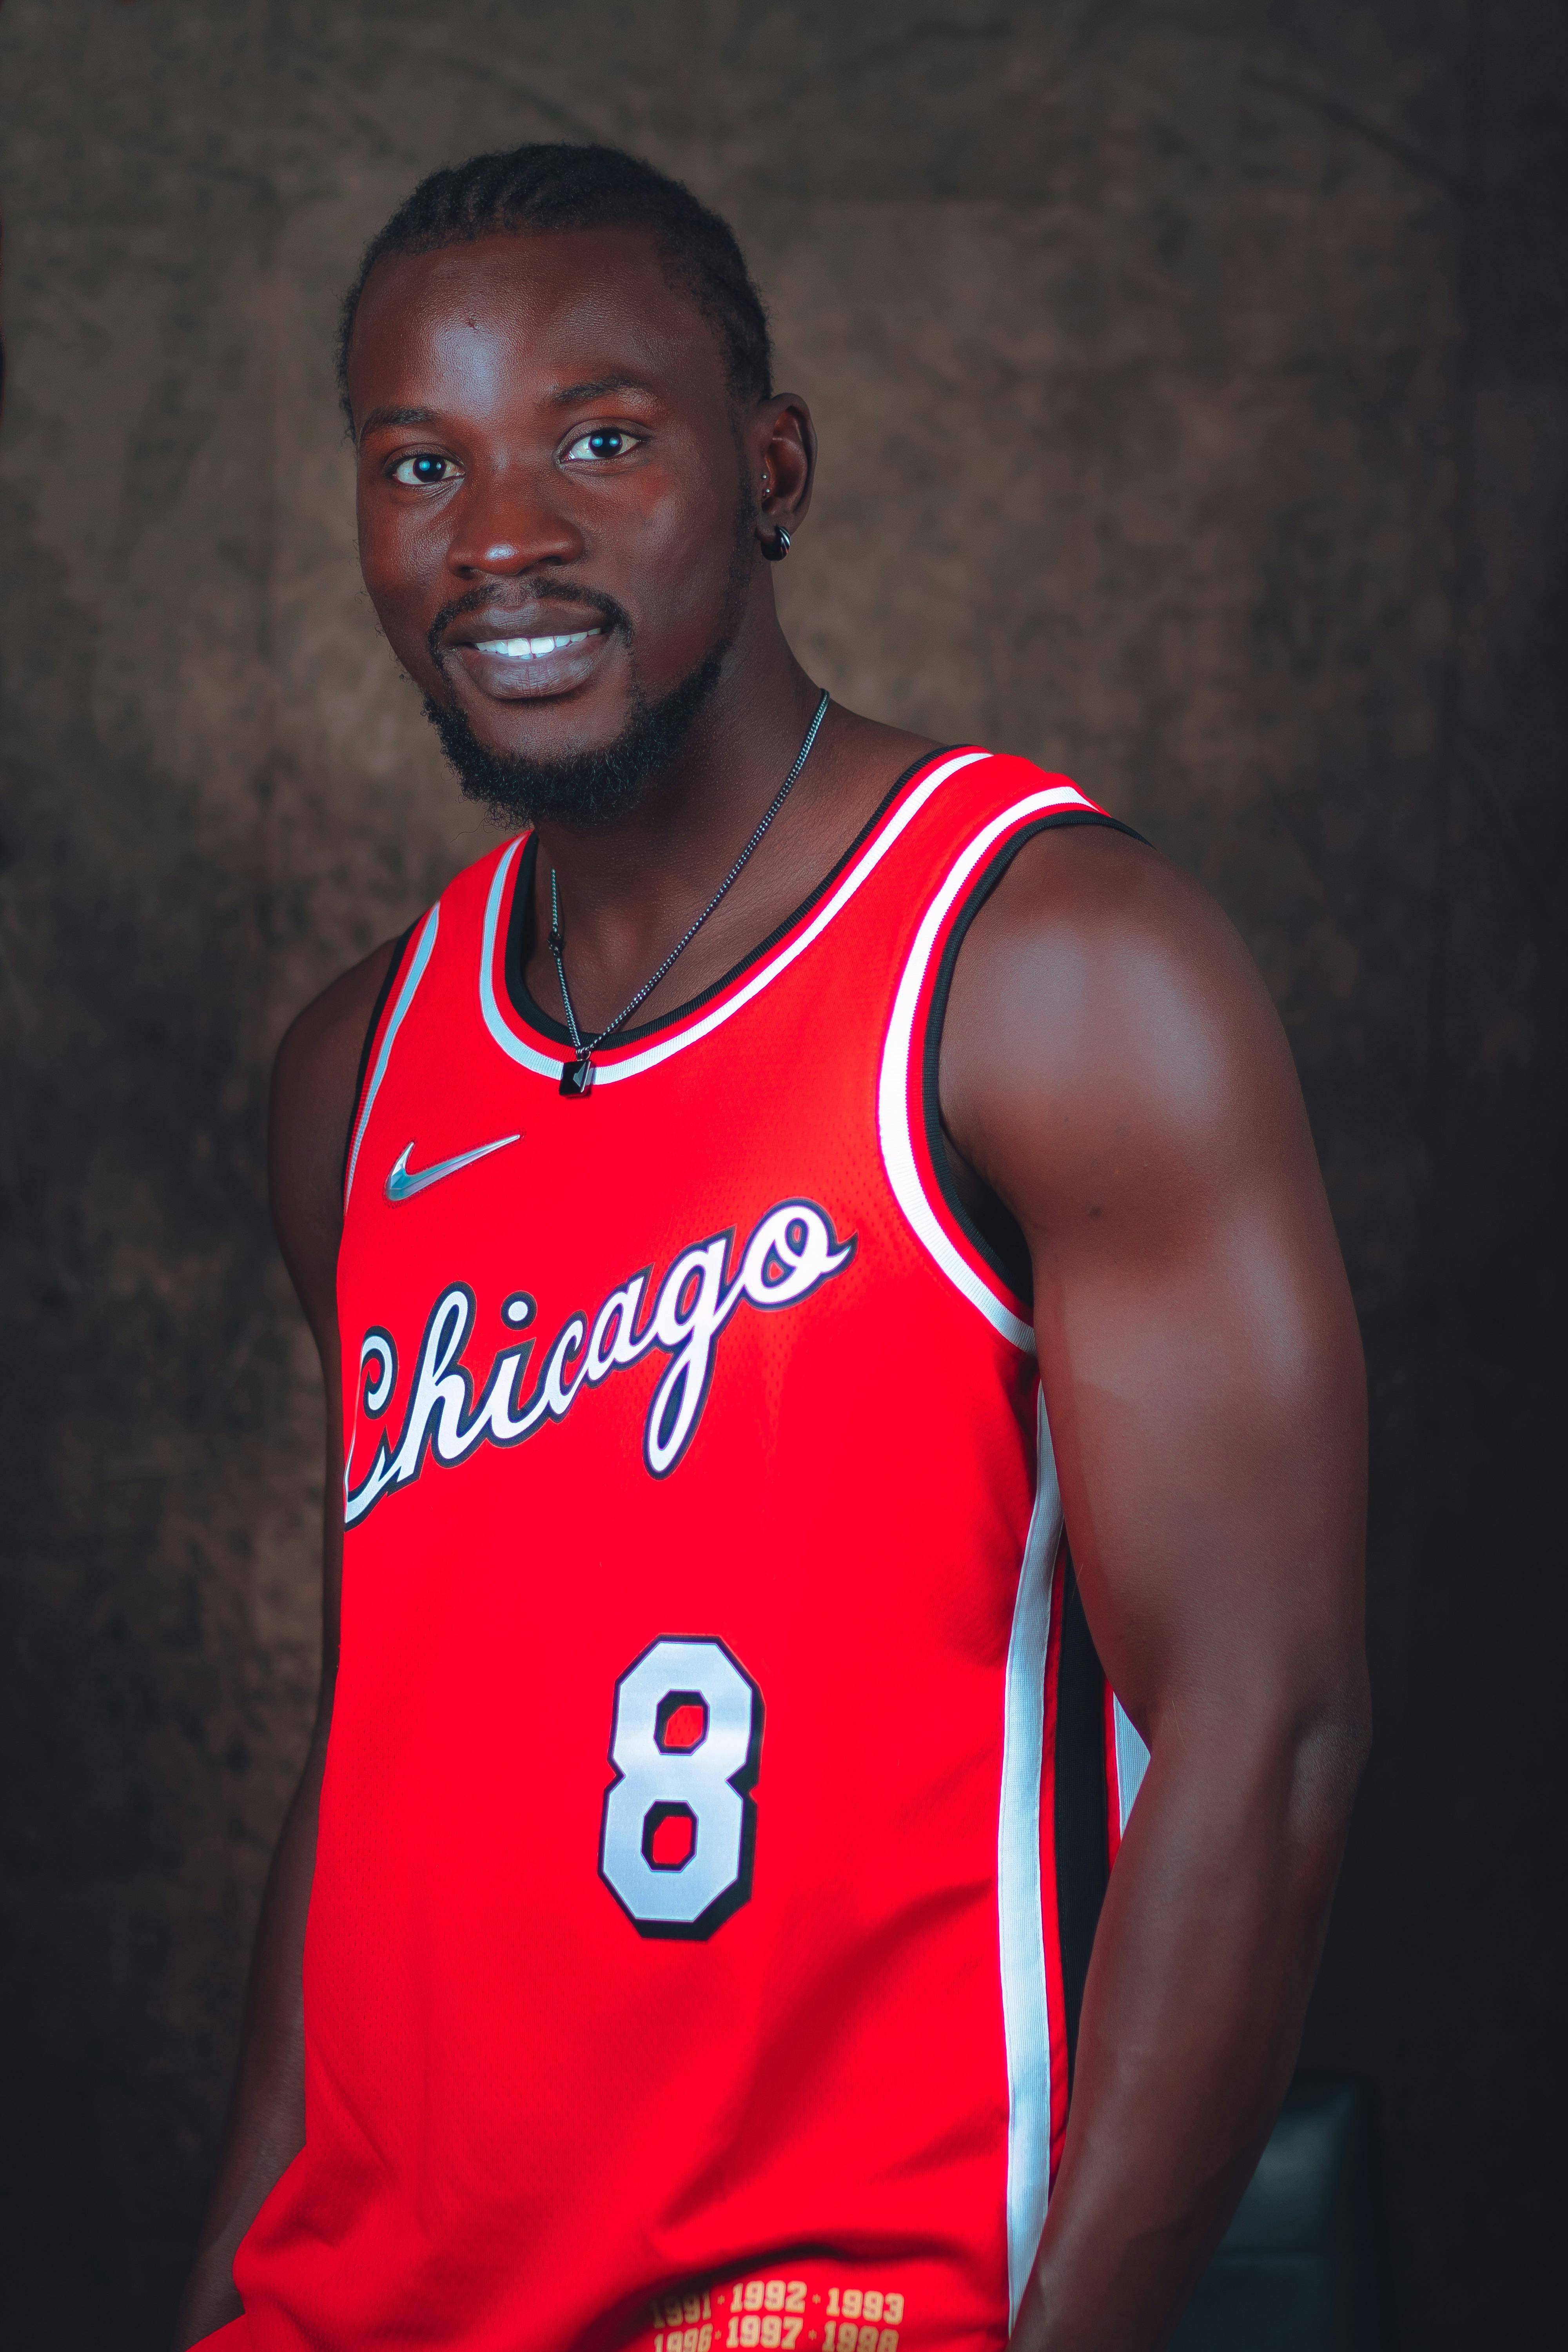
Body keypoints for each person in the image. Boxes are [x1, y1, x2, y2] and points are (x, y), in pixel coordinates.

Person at [175, 144, 1369, 2352]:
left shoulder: (1045, 968)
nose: (501, 541)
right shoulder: (357, 1076)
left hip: (824, 2306)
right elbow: (380, 1772)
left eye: (599, 441)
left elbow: (1264, 1734)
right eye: (416, 464)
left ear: (774, 464)